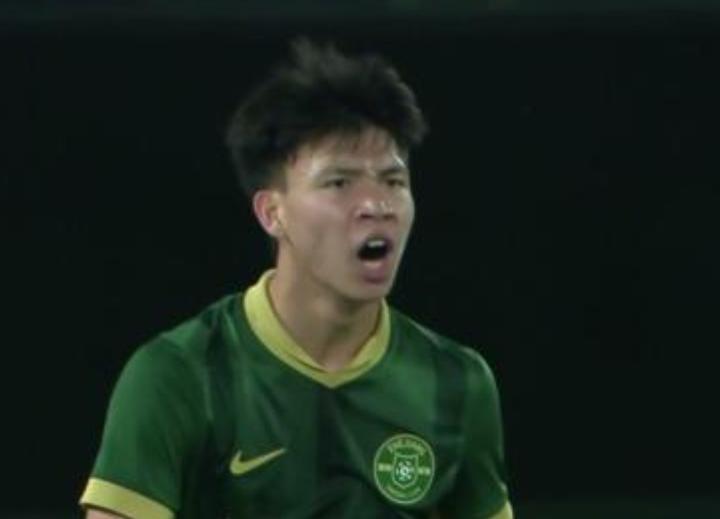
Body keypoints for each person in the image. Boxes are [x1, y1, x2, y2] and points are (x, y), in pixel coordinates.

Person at [80, 38, 513, 519]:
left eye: (393, 182)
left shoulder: (457, 383)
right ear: (272, 213)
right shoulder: (178, 376)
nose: (376, 205)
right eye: (339, 182)